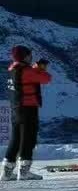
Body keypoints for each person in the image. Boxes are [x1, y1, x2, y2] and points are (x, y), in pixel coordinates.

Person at [2, 45, 51, 181]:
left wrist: (35, 69)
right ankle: (24, 172)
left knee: (15, 139)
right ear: (25, 56)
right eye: (29, 55)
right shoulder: (27, 70)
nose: (31, 57)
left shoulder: (12, 69)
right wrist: (40, 69)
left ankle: (6, 173)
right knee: (28, 139)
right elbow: (47, 79)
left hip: (15, 109)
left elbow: (26, 78)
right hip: (28, 108)